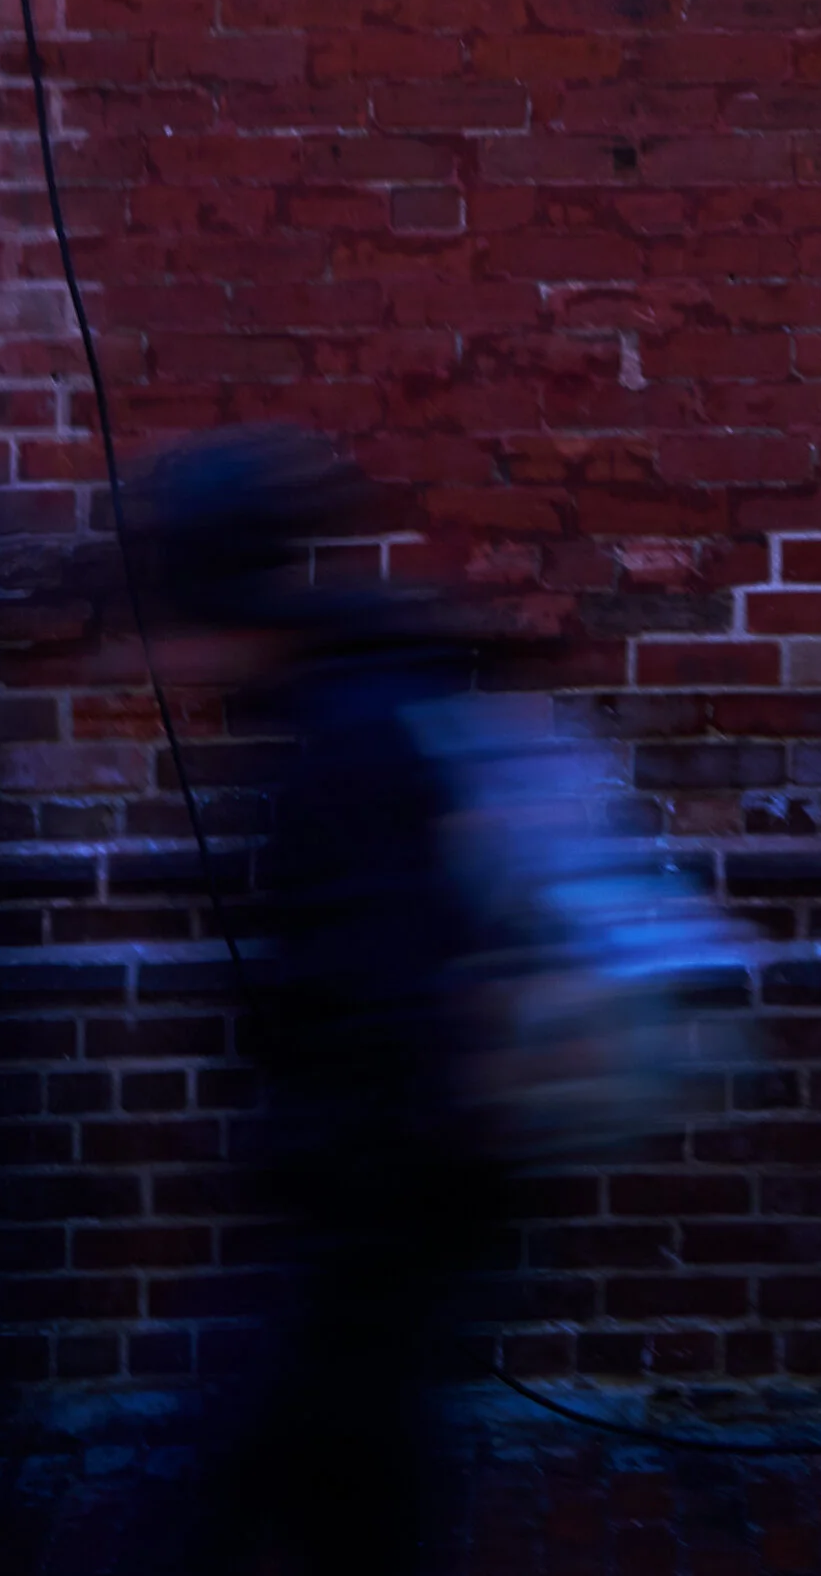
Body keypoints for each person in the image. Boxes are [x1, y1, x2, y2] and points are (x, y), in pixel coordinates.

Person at [126, 430, 506, 1576]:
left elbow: (383, 986)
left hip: (366, 1197)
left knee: (242, 1478)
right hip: (380, 1193)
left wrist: (331, 1166)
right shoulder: (355, 692)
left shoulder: (337, 729)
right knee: (357, 1487)